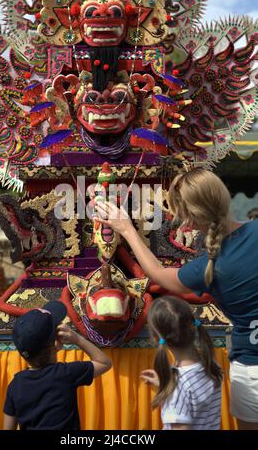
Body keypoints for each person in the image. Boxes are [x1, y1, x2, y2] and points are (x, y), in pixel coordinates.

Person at [95, 168, 258, 430]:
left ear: (193, 221)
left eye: (185, 218)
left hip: (251, 371)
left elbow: (158, 274)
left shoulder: (206, 268)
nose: (185, 225)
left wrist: (126, 229)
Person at [3, 300, 112, 430]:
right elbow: (104, 362)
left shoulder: (16, 384)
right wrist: (77, 338)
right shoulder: (65, 373)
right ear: (57, 343)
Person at [141, 296, 222, 430]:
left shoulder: (179, 388)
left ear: (155, 338)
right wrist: (165, 385)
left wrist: (172, 389)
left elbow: (182, 395)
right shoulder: (210, 363)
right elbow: (193, 397)